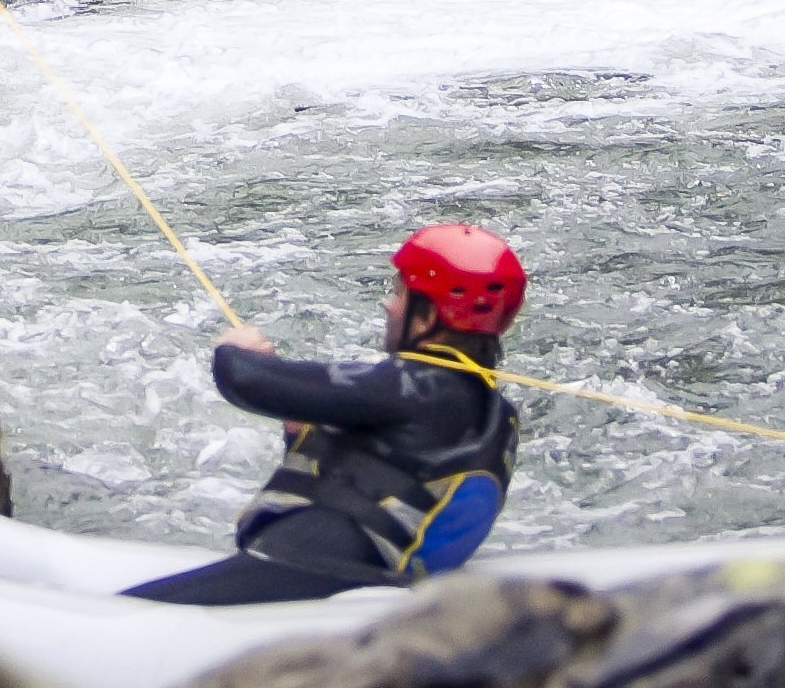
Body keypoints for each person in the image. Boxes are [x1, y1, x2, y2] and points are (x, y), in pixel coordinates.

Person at [122, 223, 528, 604]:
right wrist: (303, 437)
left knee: (123, 613)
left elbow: (245, 380)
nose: (389, 306)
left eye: (400, 293)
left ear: (429, 314)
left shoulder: (413, 387)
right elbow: (390, 479)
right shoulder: (491, 411)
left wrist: (234, 349)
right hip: (363, 585)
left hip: (313, 574)